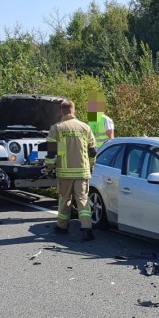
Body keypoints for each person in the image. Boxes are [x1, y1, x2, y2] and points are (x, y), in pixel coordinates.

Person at [44, 99, 97, 240]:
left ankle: (62, 226)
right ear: (74, 110)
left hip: (64, 172)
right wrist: (91, 166)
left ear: (62, 111)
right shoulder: (85, 128)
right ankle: (86, 228)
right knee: (83, 199)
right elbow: (92, 151)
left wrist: (48, 168)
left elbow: (51, 153)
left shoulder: (56, 128)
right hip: (82, 171)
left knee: (64, 199)